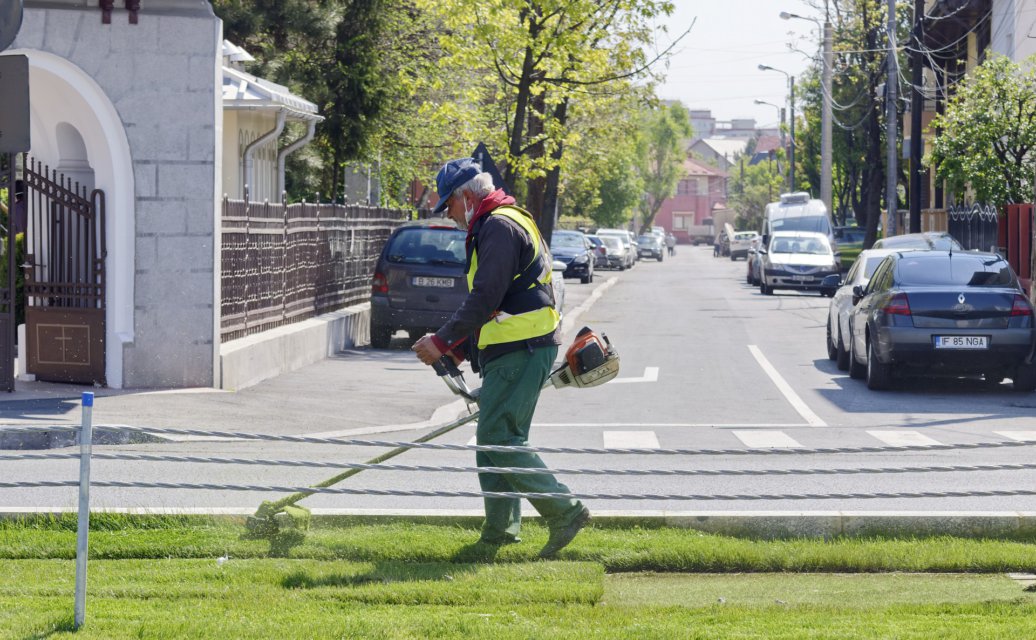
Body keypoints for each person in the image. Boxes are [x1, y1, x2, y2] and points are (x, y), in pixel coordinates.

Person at [412, 158, 591, 557]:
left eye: (449, 205)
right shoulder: (505, 221)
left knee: (498, 438)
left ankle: (564, 512)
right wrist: (458, 347)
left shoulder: (497, 227)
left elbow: (486, 297)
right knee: (496, 441)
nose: (450, 215)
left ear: (467, 196)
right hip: (519, 346)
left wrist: (442, 342)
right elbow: (502, 301)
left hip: (521, 349)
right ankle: (499, 534)